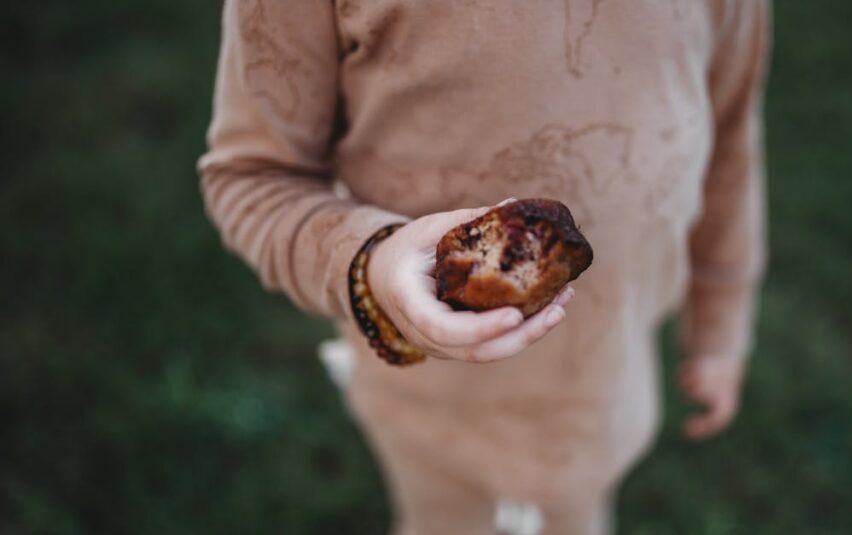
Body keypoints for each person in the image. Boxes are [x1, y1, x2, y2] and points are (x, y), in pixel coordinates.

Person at [198, 0, 769, 532]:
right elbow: (254, 178)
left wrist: (720, 324)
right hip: (433, 417)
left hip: (603, 390)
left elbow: (728, 140)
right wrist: (371, 259)